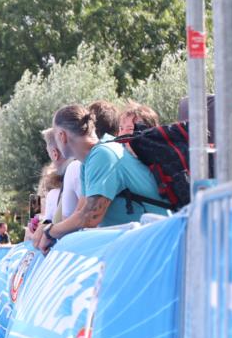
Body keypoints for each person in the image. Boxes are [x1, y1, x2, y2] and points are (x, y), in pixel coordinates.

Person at [33, 104, 167, 255]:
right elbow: (80, 214)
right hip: (144, 244)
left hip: (157, 245)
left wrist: (50, 232)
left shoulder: (103, 154)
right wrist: (49, 230)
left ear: (62, 136)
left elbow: (90, 217)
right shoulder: (88, 161)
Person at [43, 127, 82, 222]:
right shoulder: (81, 165)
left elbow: (59, 222)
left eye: (49, 153)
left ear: (55, 154)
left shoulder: (72, 169)